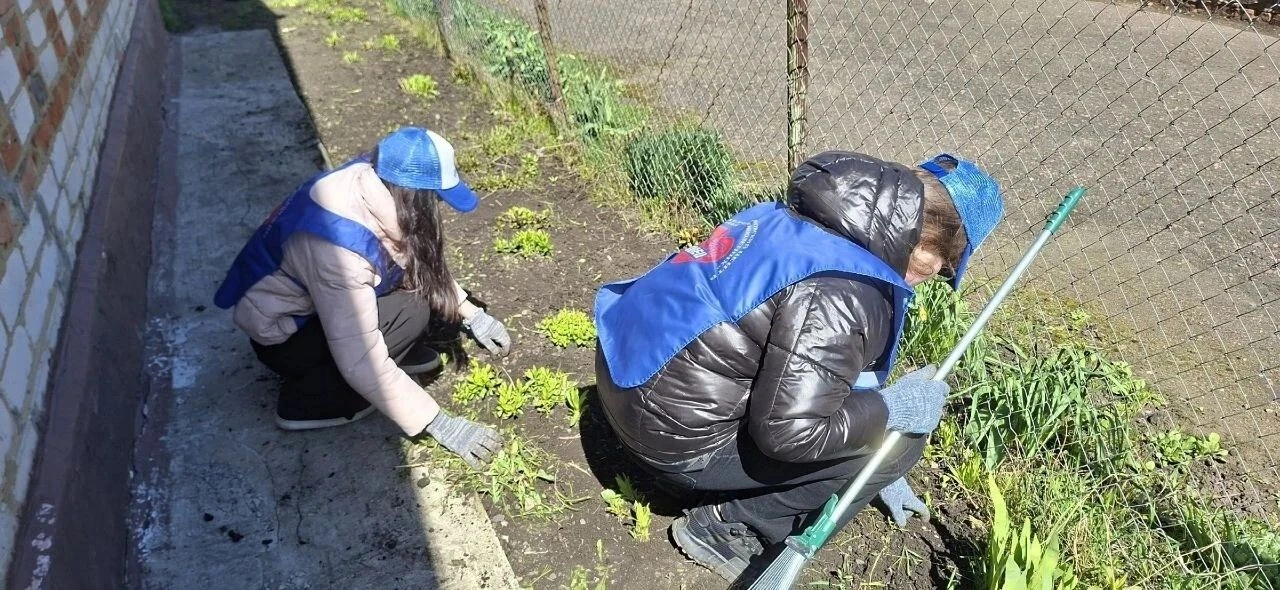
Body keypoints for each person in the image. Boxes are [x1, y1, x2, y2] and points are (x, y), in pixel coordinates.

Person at [593, 151, 1003, 581]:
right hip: (667, 438)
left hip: (625, 377)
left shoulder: (789, 218)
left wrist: (878, 469)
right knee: (903, 441)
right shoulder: (849, 288)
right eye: (944, 269)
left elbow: (806, 362)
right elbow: (791, 433)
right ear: (927, 246)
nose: (934, 277)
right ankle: (728, 528)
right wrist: (888, 424)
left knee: (871, 429)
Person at [213, 127, 511, 469]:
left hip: (310, 307)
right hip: (286, 337)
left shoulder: (376, 179)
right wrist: (440, 423)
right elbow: (361, 358)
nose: (438, 207)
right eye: (436, 199)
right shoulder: (338, 250)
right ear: (413, 197)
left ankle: (388, 358)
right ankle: (309, 398)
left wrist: (471, 313)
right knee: (410, 313)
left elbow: (413, 254)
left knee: (412, 305)